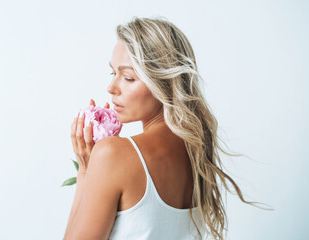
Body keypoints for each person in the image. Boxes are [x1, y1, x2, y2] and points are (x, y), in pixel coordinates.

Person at [63, 16, 264, 240]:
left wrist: (85, 171)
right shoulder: (196, 151)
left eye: (128, 78)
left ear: (165, 83)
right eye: (113, 73)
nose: (111, 88)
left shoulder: (113, 153)